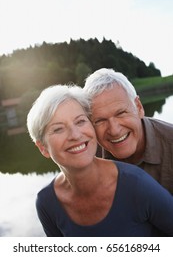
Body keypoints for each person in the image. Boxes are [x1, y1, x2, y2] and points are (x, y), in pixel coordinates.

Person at [27, 84, 173, 237]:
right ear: (43, 148)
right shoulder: (46, 202)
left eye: (80, 121)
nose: (75, 135)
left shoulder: (136, 183)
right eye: (58, 129)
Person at [84, 68, 173, 194]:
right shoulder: (87, 157)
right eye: (100, 121)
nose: (114, 130)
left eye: (121, 113)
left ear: (139, 107)